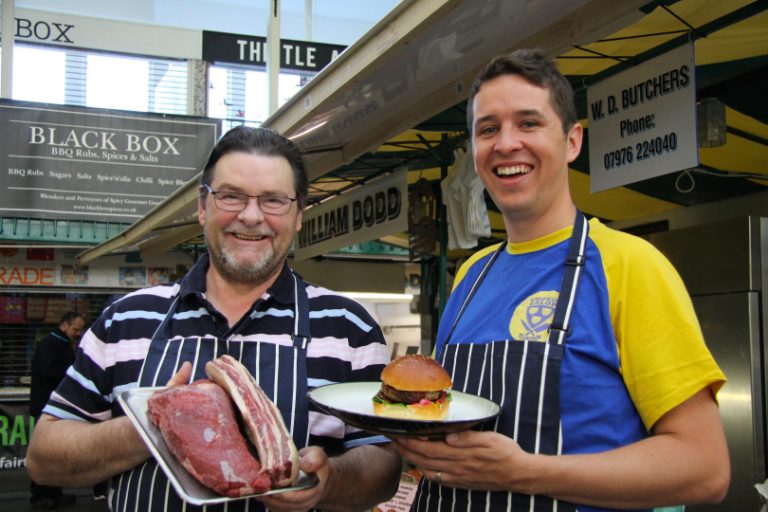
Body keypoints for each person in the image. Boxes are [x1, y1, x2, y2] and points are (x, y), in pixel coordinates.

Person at [391, 49, 730, 511]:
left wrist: (525, 472)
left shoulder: (628, 264)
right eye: (488, 128)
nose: (506, 143)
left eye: (529, 123)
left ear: (573, 141)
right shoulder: (472, 273)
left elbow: (704, 468)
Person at [27, 126, 402, 512]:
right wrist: (152, 423)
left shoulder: (349, 327)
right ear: (203, 207)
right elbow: (43, 459)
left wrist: (329, 481)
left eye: (273, 200)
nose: (252, 216)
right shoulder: (126, 318)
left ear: (298, 215)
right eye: (231, 196)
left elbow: (385, 465)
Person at [29, 311, 85, 510]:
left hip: (57, 406)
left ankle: (54, 492)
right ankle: (39, 495)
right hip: (45, 406)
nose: (78, 334)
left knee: (55, 453)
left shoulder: (62, 344)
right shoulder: (50, 344)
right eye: (75, 329)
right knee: (44, 453)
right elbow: (46, 371)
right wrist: (70, 370)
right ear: (64, 325)